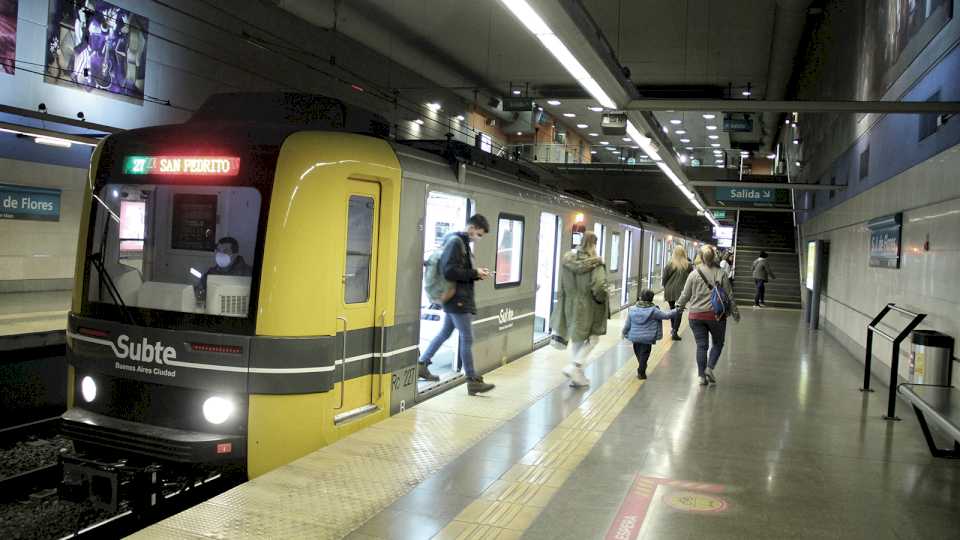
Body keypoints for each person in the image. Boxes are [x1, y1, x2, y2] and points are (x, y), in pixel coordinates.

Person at [417, 215, 495, 395]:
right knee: (467, 338)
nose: (479, 238)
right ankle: (472, 380)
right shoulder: (456, 242)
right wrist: (474, 272)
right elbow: (449, 271)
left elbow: (458, 270)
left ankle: (422, 363)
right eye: (479, 234)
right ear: (473, 228)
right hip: (458, 299)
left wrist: (476, 274)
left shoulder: (461, 242)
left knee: (445, 332)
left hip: (456, 297)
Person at [551, 231, 609, 387]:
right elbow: (599, 287)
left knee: (577, 339)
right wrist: (602, 299)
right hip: (588, 304)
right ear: (593, 244)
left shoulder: (567, 259)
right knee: (593, 338)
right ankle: (575, 366)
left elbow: (561, 283)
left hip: (570, 303)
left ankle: (577, 377)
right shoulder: (596, 263)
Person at [676, 246, 740, 386]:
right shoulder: (721, 273)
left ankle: (701, 376)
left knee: (701, 346)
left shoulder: (694, 274)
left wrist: (678, 307)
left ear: (701, 257)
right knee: (718, 343)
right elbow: (729, 296)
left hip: (696, 316)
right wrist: (735, 313)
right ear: (715, 256)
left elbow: (685, 294)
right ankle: (709, 368)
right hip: (716, 316)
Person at [622, 289, 677, 379]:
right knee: (645, 354)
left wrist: (624, 332)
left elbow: (627, 324)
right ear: (651, 299)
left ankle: (641, 367)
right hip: (647, 338)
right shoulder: (654, 310)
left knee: (639, 353)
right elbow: (666, 316)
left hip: (635, 337)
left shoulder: (632, 309)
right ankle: (641, 370)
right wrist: (676, 310)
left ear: (640, 298)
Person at [197, 237, 252, 301]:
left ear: (235, 254)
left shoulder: (248, 273)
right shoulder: (211, 272)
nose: (220, 254)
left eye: (225, 251)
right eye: (218, 250)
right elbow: (200, 294)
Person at [661, 245, 692, 341]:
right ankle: (675, 330)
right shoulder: (688, 265)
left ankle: (672, 328)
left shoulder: (670, 264)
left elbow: (665, 278)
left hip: (670, 290)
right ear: (684, 253)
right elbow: (691, 278)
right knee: (679, 311)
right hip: (682, 291)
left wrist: (665, 286)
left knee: (672, 310)